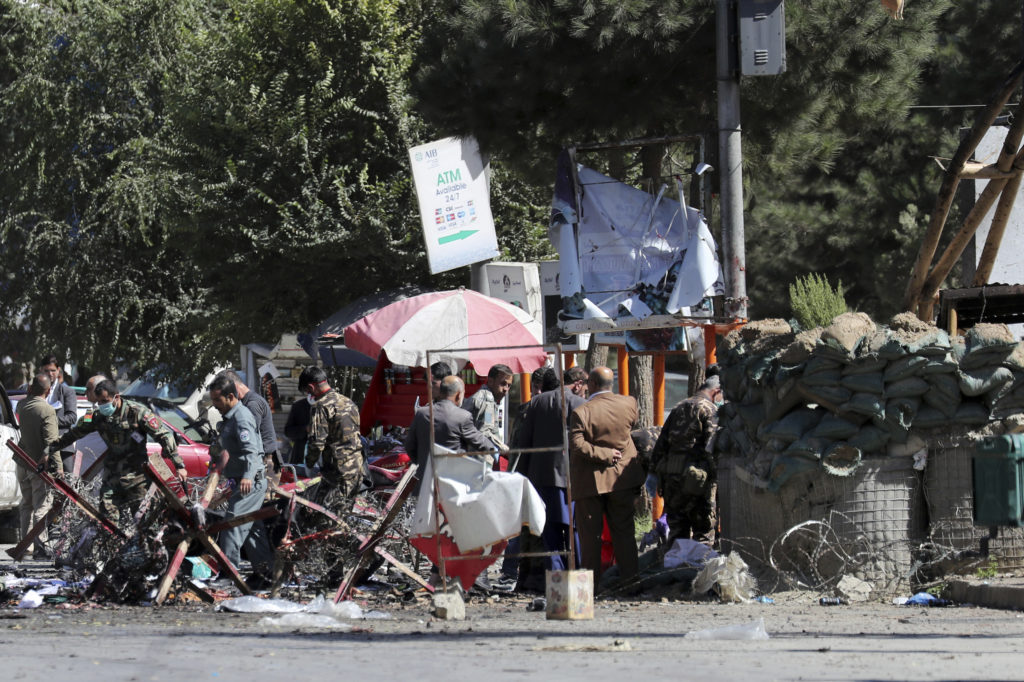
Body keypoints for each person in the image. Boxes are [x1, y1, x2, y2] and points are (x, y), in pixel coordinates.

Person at [51, 379, 187, 524]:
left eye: (105, 401)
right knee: (107, 525)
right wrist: (49, 449)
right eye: (99, 402)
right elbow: (73, 434)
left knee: (145, 524)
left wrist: (179, 465)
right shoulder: (97, 416)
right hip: (112, 478)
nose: (102, 406)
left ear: (116, 397)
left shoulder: (137, 412)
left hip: (137, 479)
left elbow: (164, 435)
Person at [569, 366, 644, 583]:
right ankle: (631, 582)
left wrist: (603, 454)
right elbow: (627, 429)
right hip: (622, 479)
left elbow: (576, 444)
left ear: (591, 384)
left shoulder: (581, 412)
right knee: (624, 534)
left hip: (590, 483)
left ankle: (591, 588)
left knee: (590, 538)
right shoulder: (630, 404)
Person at [515, 366, 587, 577]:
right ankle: (579, 577)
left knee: (550, 533)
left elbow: (524, 441)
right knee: (575, 531)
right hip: (573, 477)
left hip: (542, 477)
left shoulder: (537, 402)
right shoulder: (581, 404)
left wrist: (523, 474)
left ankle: (557, 580)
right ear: (577, 384)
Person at [207, 374, 274, 587]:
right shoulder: (230, 418)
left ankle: (229, 575)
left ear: (230, 396)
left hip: (250, 482)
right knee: (253, 532)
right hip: (244, 480)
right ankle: (265, 575)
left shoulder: (241, 417)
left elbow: (252, 451)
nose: (215, 405)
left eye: (217, 400)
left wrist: (247, 476)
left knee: (232, 524)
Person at [650, 376, 723, 547]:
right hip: (698, 481)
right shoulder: (709, 409)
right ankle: (698, 571)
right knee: (704, 531)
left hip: (672, 480)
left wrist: (655, 473)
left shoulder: (679, 406)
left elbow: (661, 444)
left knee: (676, 532)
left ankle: (675, 569)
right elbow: (711, 446)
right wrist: (717, 477)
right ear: (716, 392)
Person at [298, 366, 364, 500]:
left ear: (311, 387)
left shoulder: (320, 406)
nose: (309, 396)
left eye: (307, 391)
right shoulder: (349, 402)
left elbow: (317, 443)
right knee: (344, 513)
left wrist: (309, 464)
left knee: (328, 517)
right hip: (356, 467)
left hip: (337, 473)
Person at [15, 373, 61, 559]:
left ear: (30, 388)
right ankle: (40, 546)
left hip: (22, 461)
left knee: (26, 504)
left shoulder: (22, 405)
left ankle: (25, 545)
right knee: (41, 504)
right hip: (38, 465)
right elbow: (52, 442)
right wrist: (59, 468)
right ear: (48, 390)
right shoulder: (47, 410)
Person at [218, 370, 279, 477]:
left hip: (266, 464)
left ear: (235, 387)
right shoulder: (244, 404)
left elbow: (248, 435)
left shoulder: (252, 404)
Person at [461, 363, 513, 459]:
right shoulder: (487, 400)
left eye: (509, 385)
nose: (506, 389)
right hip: (478, 460)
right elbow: (485, 432)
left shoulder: (485, 397)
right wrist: (504, 448)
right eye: (503, 383)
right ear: (490, 381)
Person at [39, 355, 78, 459]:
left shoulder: (67, 392)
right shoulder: (34, 391)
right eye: (46, 370)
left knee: (65, 475)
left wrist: (51, 421)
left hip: (62, 447)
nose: (50, 374)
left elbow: (72, 417)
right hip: (39, 448)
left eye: (53, 370)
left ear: (58, 370)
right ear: (41, 370)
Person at [283, 393, 312, 466]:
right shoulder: (299, 406)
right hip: (301, 456)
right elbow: (288, 431)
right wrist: (305, 429)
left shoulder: (332, 405)